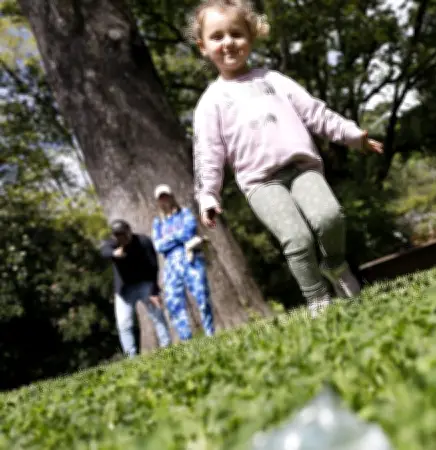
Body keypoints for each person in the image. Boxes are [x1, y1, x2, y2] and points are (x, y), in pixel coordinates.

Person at [187, 0, 384, 316]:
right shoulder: (210, 104)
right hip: (261, 184)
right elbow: (208, 154)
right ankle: (317, 298)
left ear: (250, 37)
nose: (228, 43)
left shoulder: (273, 80)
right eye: (217, 37)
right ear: (203, 46)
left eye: (236, 34)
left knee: (329, 217)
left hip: (301, 167)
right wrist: (207, 195)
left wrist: (351, 135)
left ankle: (335, 265)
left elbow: (314, 113)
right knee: (297, 237)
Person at [151, 184, 216, 341]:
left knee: (202, 297)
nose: (164, 200)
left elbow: (188, 231)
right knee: (174, 303)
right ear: (157, 202)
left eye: (166, 196)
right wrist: (176, 237)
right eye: (161, 198)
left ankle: (210, 334)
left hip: (191, 258)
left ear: (172, 196)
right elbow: (158, 245)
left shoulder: (185, 213)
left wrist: (169, 239)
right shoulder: (157, 223)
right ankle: (186, 339)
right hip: (171, 265)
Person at [100, 219, 172, 358]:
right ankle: (131, 357)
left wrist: (154, 291)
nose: (121, 238)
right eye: (117, 236)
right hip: (124, 290)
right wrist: (114, 254)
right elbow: (104, 251)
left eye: (123, 234)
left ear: (129, 232)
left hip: (144, 284)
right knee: (124, 324)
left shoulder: (143, 241)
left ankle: (167, 346)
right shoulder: (114, 245)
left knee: (157, 315)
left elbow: (153, 267)